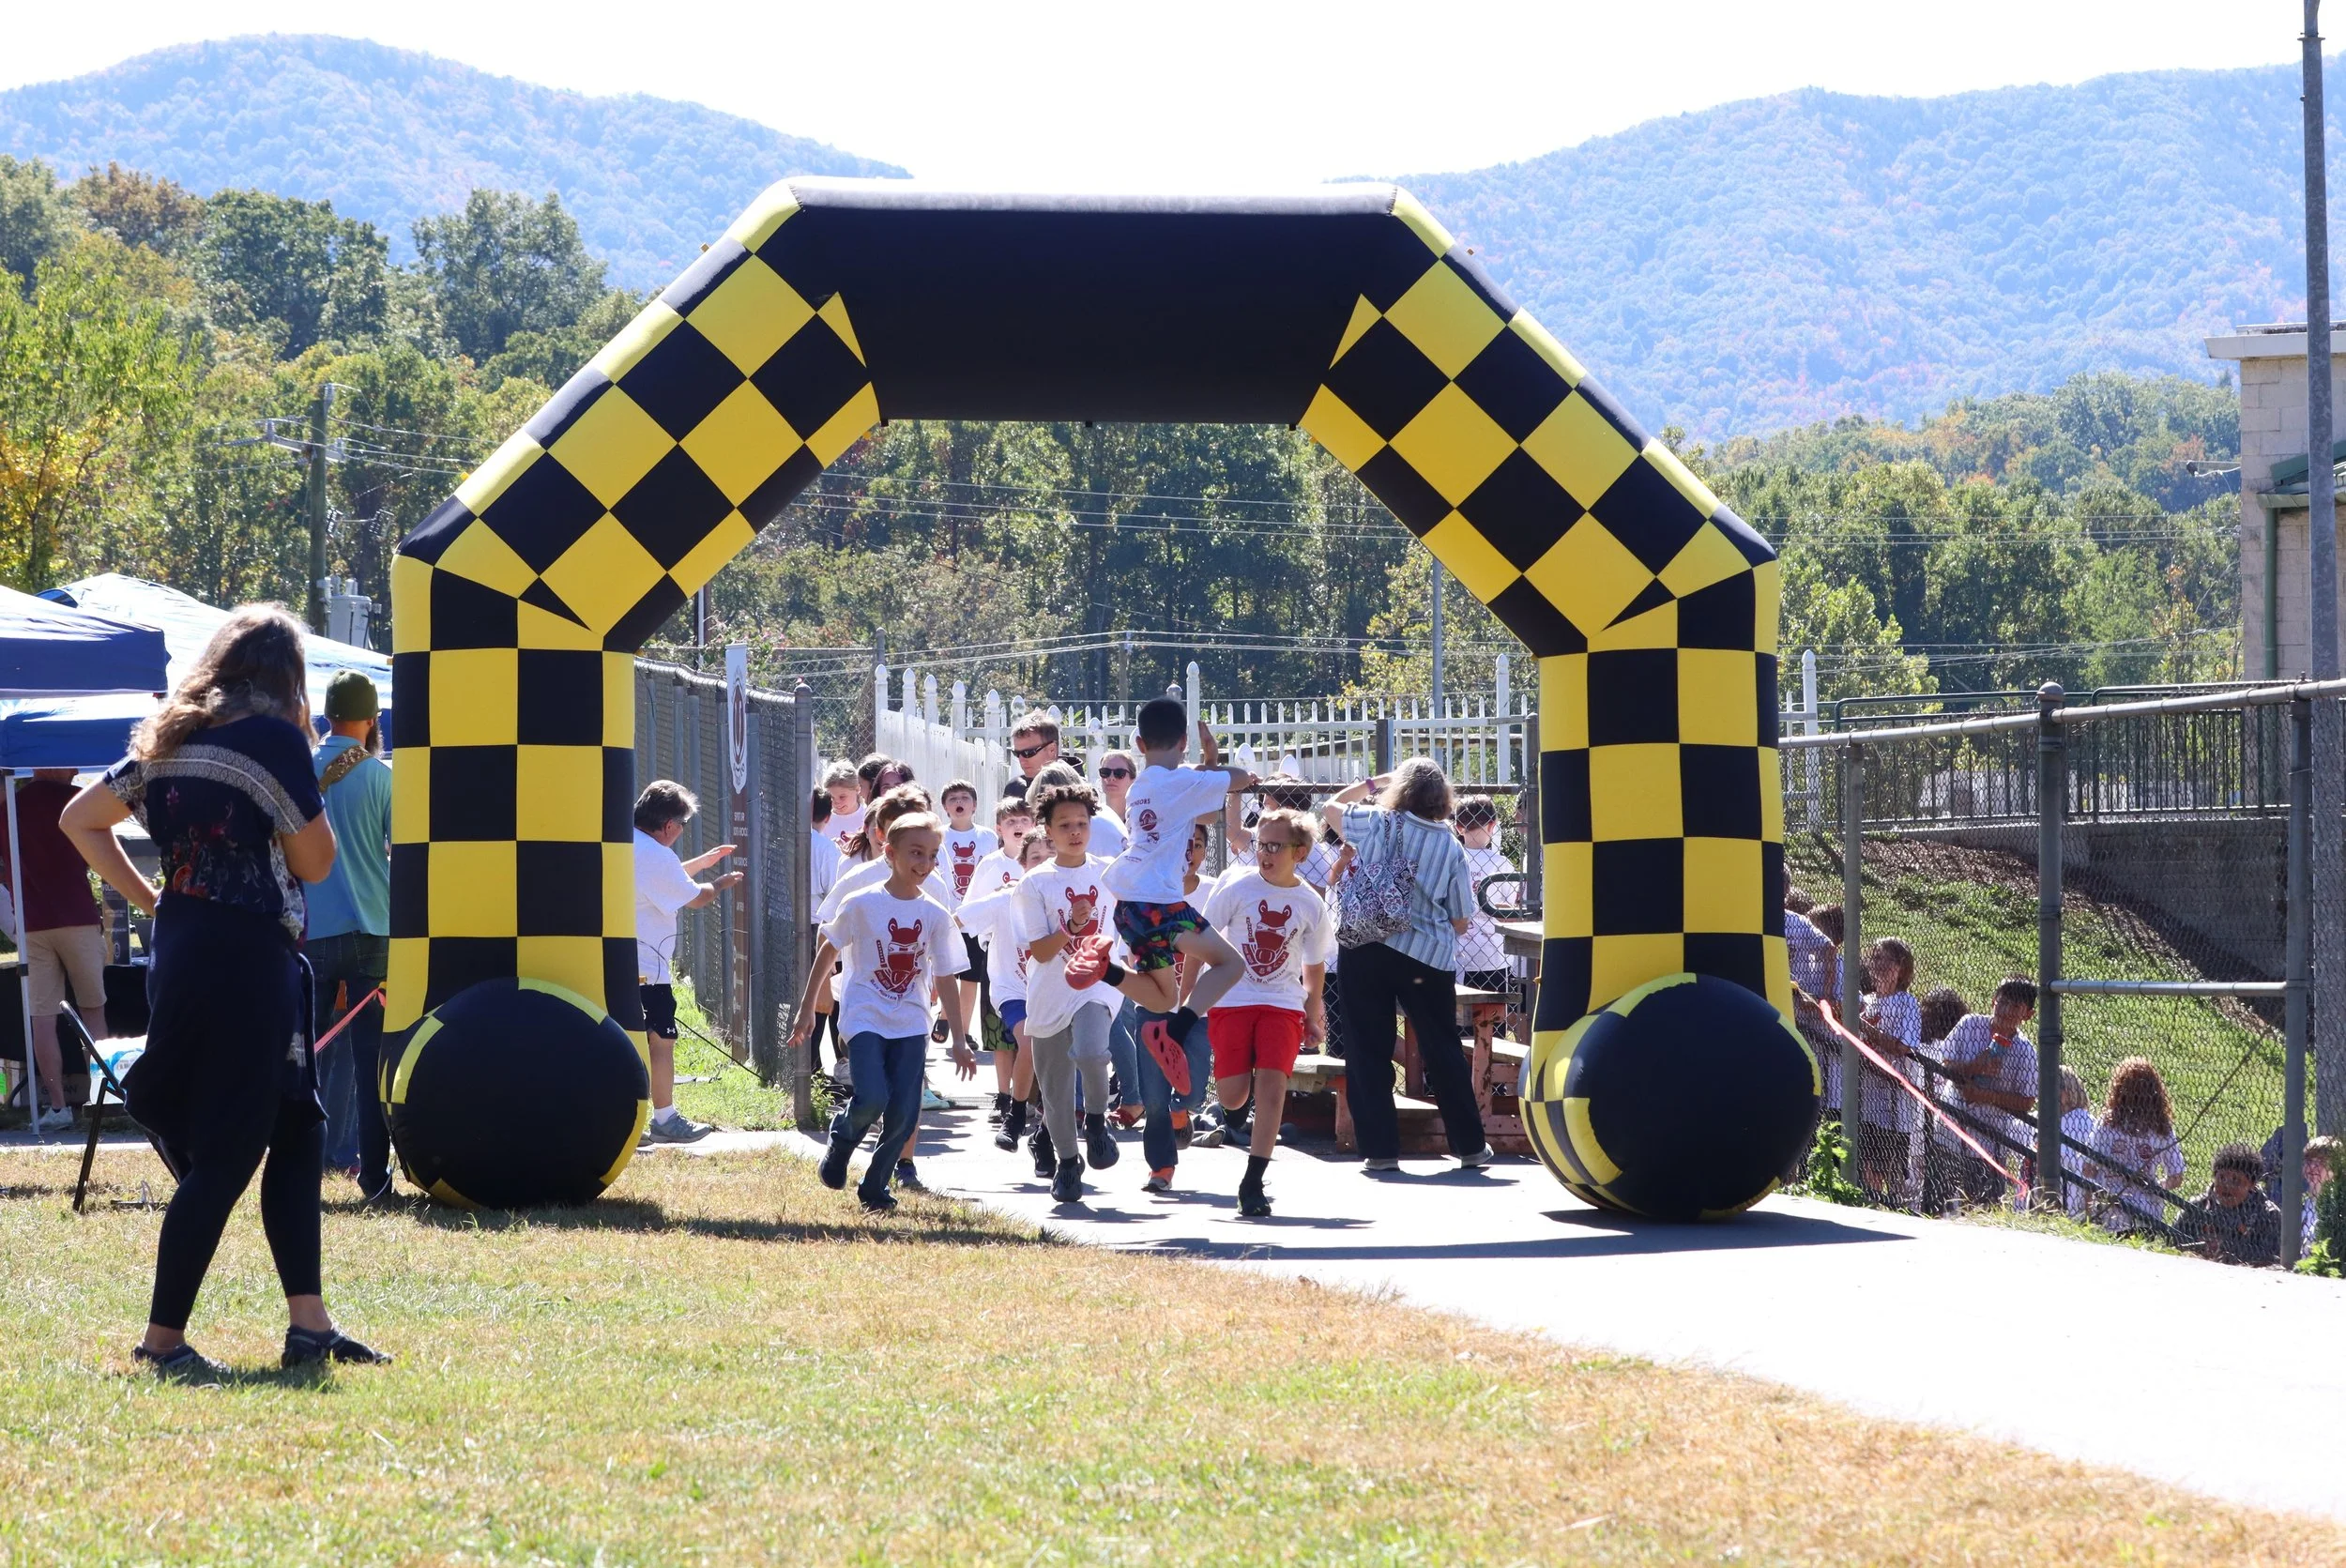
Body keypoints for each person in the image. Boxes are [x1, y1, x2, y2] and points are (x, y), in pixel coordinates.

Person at [60, 604, 387, 1378]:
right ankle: (161, 1340)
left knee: (298, 1126)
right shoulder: (273, 737)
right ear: (287, 677)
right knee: (232, 1148)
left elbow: (81, 819)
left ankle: (310, 1323)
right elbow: (314, 862)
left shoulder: (168, 736)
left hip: (183, 951)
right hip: (250, 957)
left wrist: (153, 898)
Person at [1322, 759, 1491, 1172]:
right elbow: (1461, 919)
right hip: (1427, 957)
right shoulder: (1451, 845)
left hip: (1366, 947)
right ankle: (1469, 1145)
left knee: (1366, 1047)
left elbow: (1329, 807)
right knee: (1442, 1046)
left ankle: (1380, 1151)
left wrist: (1373, 782)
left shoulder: (1376, 823)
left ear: (1399, 790)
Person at [809, 811, 973, 1212]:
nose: (925, 863)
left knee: (904, 1112)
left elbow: (946, 975)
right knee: (872, 1097)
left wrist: (959, 1038)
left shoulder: (934, 913)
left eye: (932, 855)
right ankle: (843, 1138)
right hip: (864, 1015)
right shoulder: (862, 903)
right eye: (916, 852)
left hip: (911, 1021)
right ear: (890, 852)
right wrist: (807, 1008)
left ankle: (875, 1186)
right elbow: (828, 948)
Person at [1089, 698, 1254, 1084]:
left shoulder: (1140, 787)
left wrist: (1205, 767)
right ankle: (1176, 1029)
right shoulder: (1181, 782)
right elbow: (1242, 777)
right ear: (1183, 741)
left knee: (1165, 998)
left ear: (1140, 745)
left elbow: (1205, 812)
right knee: (1230, 965)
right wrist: (1213, 762)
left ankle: (1106, 971)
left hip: (1132, 906)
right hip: (1162, 904)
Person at [1200, 806, 1333, 1217]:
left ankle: (1253, 1181)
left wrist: (1312, 1012)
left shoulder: (1310, 903)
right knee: (1232, 1095)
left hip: (1282, 1004)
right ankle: (1234, 1110)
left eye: (1276, 846)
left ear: (1300, 852)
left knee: (1273, 1087)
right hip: (1232, 999)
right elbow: (1201, 940)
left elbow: (1314, 965)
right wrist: (1191, 1002)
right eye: (1261, 845)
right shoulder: (1237, 887)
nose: (1265, 853)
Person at [1014, 782, 1126, 1203]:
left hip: (1097, 985)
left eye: (1082, 823)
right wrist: (1072, 927)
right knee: (1056, 1089)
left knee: (1093, 1052)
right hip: (1049, 991)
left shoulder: (1110, 873)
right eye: (1065, 825)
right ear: (1047, 830)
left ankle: (1096, 1121)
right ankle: (1066, 1162)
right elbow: (1041, 952)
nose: (1075, 831)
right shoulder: (1035, 883)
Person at [305, 670, 393, 1199]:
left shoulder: (300, 770)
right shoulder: (382, 777)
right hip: (371, 930)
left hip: (311, 933)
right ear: (372, 720)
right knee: (370, 1060)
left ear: (327, 716)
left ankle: (298, 1169)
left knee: (305, 1058)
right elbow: (402, 851)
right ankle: (375, 1177)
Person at [0, 768, 113, 1134]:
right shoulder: (78, 799)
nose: (76, 769)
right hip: (78, 917)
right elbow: (99, 855)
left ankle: (58, 1107)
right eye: (71, 765)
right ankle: (101, 1100)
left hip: (32, 924)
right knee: (92, 1010)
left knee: (42, 1019)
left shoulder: (9, 806)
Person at [632, 781, 743, 1145]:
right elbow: (694, 898)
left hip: (623, 962)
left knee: (630, 1041)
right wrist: (720, 883)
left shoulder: (629, 844)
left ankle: (627, 1122)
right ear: (669, 825)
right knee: (661, 1040)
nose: (681, 831)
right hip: (647, 967)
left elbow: (662, 878)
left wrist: (702, 862)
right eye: (682, 825)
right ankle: (664, 1119)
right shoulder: (656, 856)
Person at [1141, 823, 1224, 1177]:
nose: (1190, 853)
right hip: (1153, 1005)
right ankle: (1161, 1168)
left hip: (1199, 1010)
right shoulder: (1149, 890)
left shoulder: (1214, 893)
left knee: (1194, 1091)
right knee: (1154, 1096)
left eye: (1198, 845)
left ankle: (1182, 1110)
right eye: (1184, 845)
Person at [961, 823, 1044, 1141]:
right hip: (1012, 991)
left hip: (1053, 992)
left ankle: (1052, 1123)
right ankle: (1016, 1114)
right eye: (1035, 858)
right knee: (1029, 1041)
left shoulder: (1064, 899)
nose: (1043, 863)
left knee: (1063, 1056)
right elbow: (958, 919)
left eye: (1049, 856)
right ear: (1022, 864)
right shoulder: (1004, 898)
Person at [1935, 976, 2038, 1192]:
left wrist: (1985, 1096)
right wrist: (1974, 1067)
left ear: (2028, 1014)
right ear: (1993, 1001)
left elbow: (2027, 1101)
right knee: (1939, 1196)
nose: (2006, 1010)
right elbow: (1945, 1063)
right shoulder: (1970, 1025)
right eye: (2003, 1002)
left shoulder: (2025, 1051)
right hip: (1948, 1131)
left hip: (1988, 1144)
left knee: (1980, 1201)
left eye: (2015, 1006)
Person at [2089, 1056, 2185, 1234]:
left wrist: (2103, 1178)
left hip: (2110, 1205)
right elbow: (2176, 1176)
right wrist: (2157, 1187)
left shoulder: (2107, 1122)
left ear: (2119, 1089)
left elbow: (2088, 1168)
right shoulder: (2161, 1128)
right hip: (2146, 1211)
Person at [937, 779, 996, 1052]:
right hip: (947, 915)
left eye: (964, 798)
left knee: (971, 978)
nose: (959, 802)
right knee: (947, 971)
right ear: (945, 807)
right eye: (953, 799)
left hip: (975, 917)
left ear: (975, 805)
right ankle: (944, 1014)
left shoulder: (987, 837)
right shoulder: (938, 836)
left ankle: (964, 1031)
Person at [1448, 794, 1516, 996]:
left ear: (1458, 827)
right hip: (1493, 954)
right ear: (1492, 826)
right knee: (1493, 1009)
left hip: (1456, 952)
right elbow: (1511, 912)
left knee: (1458, 1009)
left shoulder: (1451, 859)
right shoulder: (1501, 863)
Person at [2174, 1143, 2281, 1267]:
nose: (2227, 1185)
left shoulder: (2268, 1215)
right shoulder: (2197, 1207)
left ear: (2252, 1184)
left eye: (2236, 1180)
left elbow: (2272, 1259)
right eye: (2222, 1178)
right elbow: (2173, 1244)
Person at [998, 711, 1061, 802]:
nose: (1021, 760)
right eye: (1017, 753)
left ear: (1052, 749)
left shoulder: (1075, 789)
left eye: (1028, 752)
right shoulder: (1014, 790)